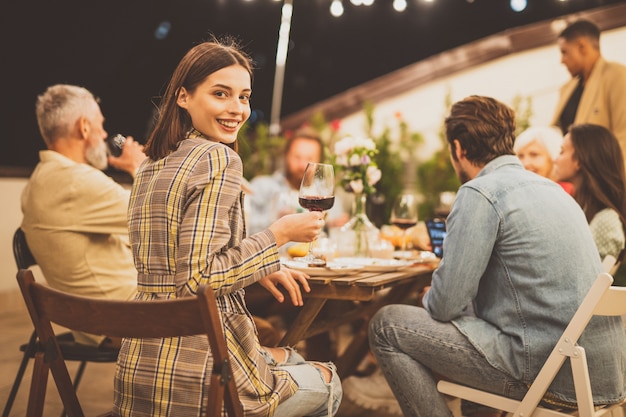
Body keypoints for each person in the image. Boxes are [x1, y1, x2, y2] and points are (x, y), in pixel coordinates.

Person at [113, 37, 342, 417]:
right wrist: (279, 236)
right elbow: (197, 280)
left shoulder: (151, 164)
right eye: (222, 94)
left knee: (291, 357)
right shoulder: (219, 159)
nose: (237, 109)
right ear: (183, 97)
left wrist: (260, 265)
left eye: (244, 97)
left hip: (141, 369)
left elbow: (181, 264)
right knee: (328, 378)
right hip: (202, 376)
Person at [368, 95, 626, 417]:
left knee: (386, 325)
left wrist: (435, 296)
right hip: (601, 374)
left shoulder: (481, 192)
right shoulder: (553, 190)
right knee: (476, 326)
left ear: (459, 149)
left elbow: (445, 305)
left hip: (549, 374)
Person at [20, 84, 146, 346]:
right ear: (84, 127)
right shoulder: (77, 182)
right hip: (126, 317)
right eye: (100, 125)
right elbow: (157, 216)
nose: (104, 134)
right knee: (234, 303)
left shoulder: (39, 182)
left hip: (94, 319)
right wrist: (138, 167)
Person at [554, 123, 626, 284]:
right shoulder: (582, 209)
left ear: (579, 160)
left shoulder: (606, 220)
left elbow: (580, 283)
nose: (555, 159)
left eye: (562, 151)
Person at [247, 127, 349, 236]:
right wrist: (276, 221)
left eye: (309, 158)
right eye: (297, 157)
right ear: (286, 156)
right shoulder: (261, 187)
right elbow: (243, 229)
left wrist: (331, 227)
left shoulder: (326, 194)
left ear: (319, 161)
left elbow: (337, 238)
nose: (302, 165)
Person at [551, 19, 626, 164]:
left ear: (582, 47)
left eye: (565, 52)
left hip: (606, 174)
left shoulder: (618, 76)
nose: (562, 60)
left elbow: (623, 137)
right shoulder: (567, 88)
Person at [513, 125, 574, 194]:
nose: (525, 163)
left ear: (553, 157)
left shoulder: (565, 193)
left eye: (534, 155)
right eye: (520, 156)